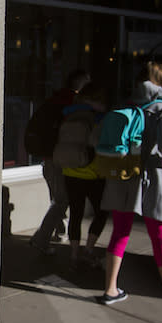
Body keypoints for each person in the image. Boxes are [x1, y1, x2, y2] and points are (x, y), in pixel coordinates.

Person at [99, 61, 162, 305]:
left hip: (124, 175)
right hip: (151, 178)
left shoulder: (125, 106)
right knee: (159, 233)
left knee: (120, 232)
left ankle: (110, 289)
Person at [28, 70, 91, 255]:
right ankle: (41, 240)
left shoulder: (55, 99)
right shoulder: (73, 103)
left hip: (49, 158)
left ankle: (56, 233)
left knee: (58, 198)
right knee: (61, 200)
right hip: (60, 158)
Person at [55, 81, 110, 269]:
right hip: (93, 173)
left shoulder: (68, 114)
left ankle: (73, 254)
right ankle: (88, 250)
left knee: (76, 213)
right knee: (102, 212)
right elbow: (98, 143)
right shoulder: (99, 117)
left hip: (70, 171)